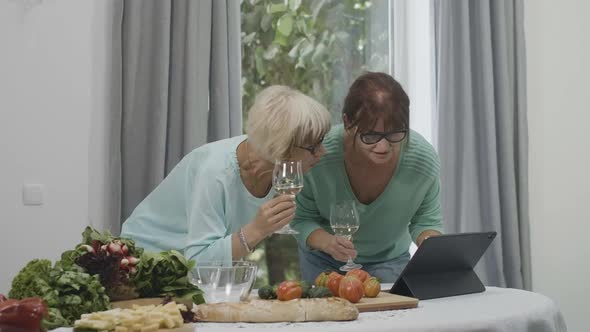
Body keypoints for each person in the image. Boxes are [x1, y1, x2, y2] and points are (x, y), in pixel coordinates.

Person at [121, 85, 331, 263]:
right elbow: (199, 260)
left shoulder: (279, 172)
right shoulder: (215, 172)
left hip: (186, 276)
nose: (323, 153)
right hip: (145, 264)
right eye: (313, 146)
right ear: (281, 148)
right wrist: (257, 230)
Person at [291, 72, 443, 283]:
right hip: (324, 262)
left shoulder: (422, 161)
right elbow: (300, 220)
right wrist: (327, 242)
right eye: (370, 136)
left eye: (395, 134)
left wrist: (433, 248)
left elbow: (426, 220)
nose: (383, 146)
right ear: (347, 122)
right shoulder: (318, 157)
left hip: (390, 262)